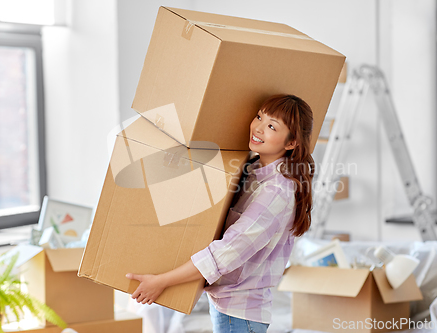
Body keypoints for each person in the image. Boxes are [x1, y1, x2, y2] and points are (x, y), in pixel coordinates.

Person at [126, 94, 315, 333]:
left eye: (271, 126)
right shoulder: (254, 170)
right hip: (229, 308)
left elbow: (227, 252)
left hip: (240, 314)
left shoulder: (276, 191)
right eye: (259, 116)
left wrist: (161, 281)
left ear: (291, 143)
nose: (257, 128)